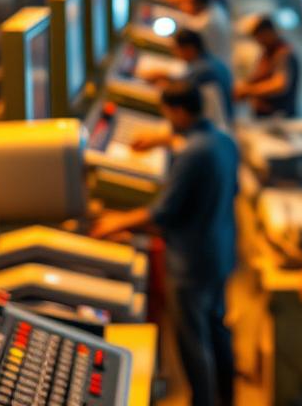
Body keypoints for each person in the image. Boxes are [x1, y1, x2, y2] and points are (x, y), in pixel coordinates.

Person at [90, 82, 237, 406]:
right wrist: (164, 139)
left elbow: (163, 212)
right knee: (217, 326)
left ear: (179, 111)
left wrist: (117, 222)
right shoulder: (223, 141)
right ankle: (229, 396)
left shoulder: (190, 155)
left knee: (192, 340)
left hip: (190, 262)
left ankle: (201, 400)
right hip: (221, 251)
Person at [139, 28, 234, 129]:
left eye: (176, 49)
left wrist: (163, 80)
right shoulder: (208, 61)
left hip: (217, 123)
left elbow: (181, 91)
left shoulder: (202, 72)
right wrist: (165, 76)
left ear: (189, 49)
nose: (174, 53)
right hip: (225, 120)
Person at [234, 16, 300, 118]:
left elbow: (279, 85)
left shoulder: (282, 53)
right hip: (264, 115)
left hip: (278, 116)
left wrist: (249, 90)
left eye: (258, 36)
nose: (258, 41)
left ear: (267, 32)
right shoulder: (267, 52)